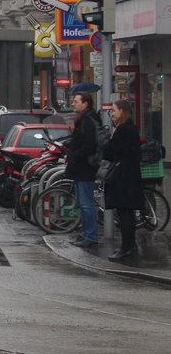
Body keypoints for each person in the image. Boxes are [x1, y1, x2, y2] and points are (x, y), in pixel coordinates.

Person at [101, 99, 144, 262]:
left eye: (114, 110)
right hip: (129, 176)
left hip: (123, 177)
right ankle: (129, 246)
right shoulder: (130, 128)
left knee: (124, 213)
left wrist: (111, 137)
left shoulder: (123, 130)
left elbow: (110, 152)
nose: (112, 114)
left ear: (122, 112)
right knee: (127, 213)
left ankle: (127, 247)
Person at [66, 91, 103, 250]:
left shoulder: (88, 121)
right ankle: (86, 233)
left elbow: (89, 145)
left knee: (86, 203)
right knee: (83, 203)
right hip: (82, 167)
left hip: (85, 167)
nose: (73, 104)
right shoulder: (85, 120)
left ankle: (91, 235)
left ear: (85, 103)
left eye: (76, 101)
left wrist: (74, 155)